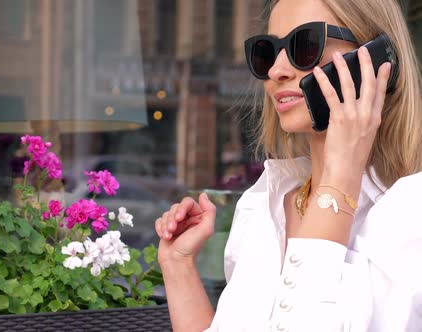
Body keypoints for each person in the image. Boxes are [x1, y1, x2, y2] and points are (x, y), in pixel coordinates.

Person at [154, 0, 422, 331]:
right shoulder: (263, 205)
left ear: (376, 57)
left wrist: (338, 182)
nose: (276, 71)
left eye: (305, 45)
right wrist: (178, 266)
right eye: (267, 51)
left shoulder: (409, 214)